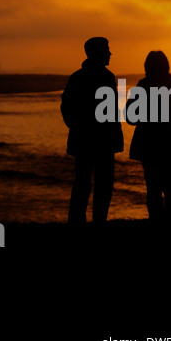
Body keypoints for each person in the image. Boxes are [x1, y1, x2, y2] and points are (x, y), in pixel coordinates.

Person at [126, 51, 171, 226]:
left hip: (148, 143)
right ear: (167, 65)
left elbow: (130, 118)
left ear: (147, 66)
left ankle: (156, 223)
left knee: (152, 186)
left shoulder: (142, 86)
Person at [61, 37, 123, 225]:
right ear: (96, 53)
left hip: (92, 140)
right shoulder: (94, 78)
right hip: (98, 141)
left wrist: (77, 127)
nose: (110, 53)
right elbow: (68, 108)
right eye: (107, 50)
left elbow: (67, 107)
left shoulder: (82, 77)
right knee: (91, 184)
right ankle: (91, 222)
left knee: (87, 184)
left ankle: (85, 222)